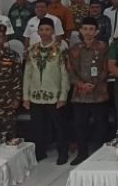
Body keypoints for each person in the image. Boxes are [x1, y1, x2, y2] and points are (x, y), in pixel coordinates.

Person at [22, 17, 70, 164]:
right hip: (36, 95)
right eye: (41, 30)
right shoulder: (32, 49)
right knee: (38, 126)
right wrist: (25, 96)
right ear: (37, 31)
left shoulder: (60, 50)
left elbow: (64, 74)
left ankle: (63, 153)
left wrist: (63, 96)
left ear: (53, 31)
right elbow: (27, 73)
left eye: (47, 29)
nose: (44, 32)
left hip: (54, 95)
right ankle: (40, 152)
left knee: (59, 126)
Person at [68, 17, 110, 165]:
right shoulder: (74, 48)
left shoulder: (103, 47)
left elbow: (106, 68)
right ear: (80, 30)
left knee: (101, 124)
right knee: (80, 125)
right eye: (85, 29)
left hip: (99, 93)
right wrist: (81, 84)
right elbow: (70, 70)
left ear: (97, 31)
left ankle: (100, 154)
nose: (88, 32)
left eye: (91, 29)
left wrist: (94, 83)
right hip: (80, 94)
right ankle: (82, 153)